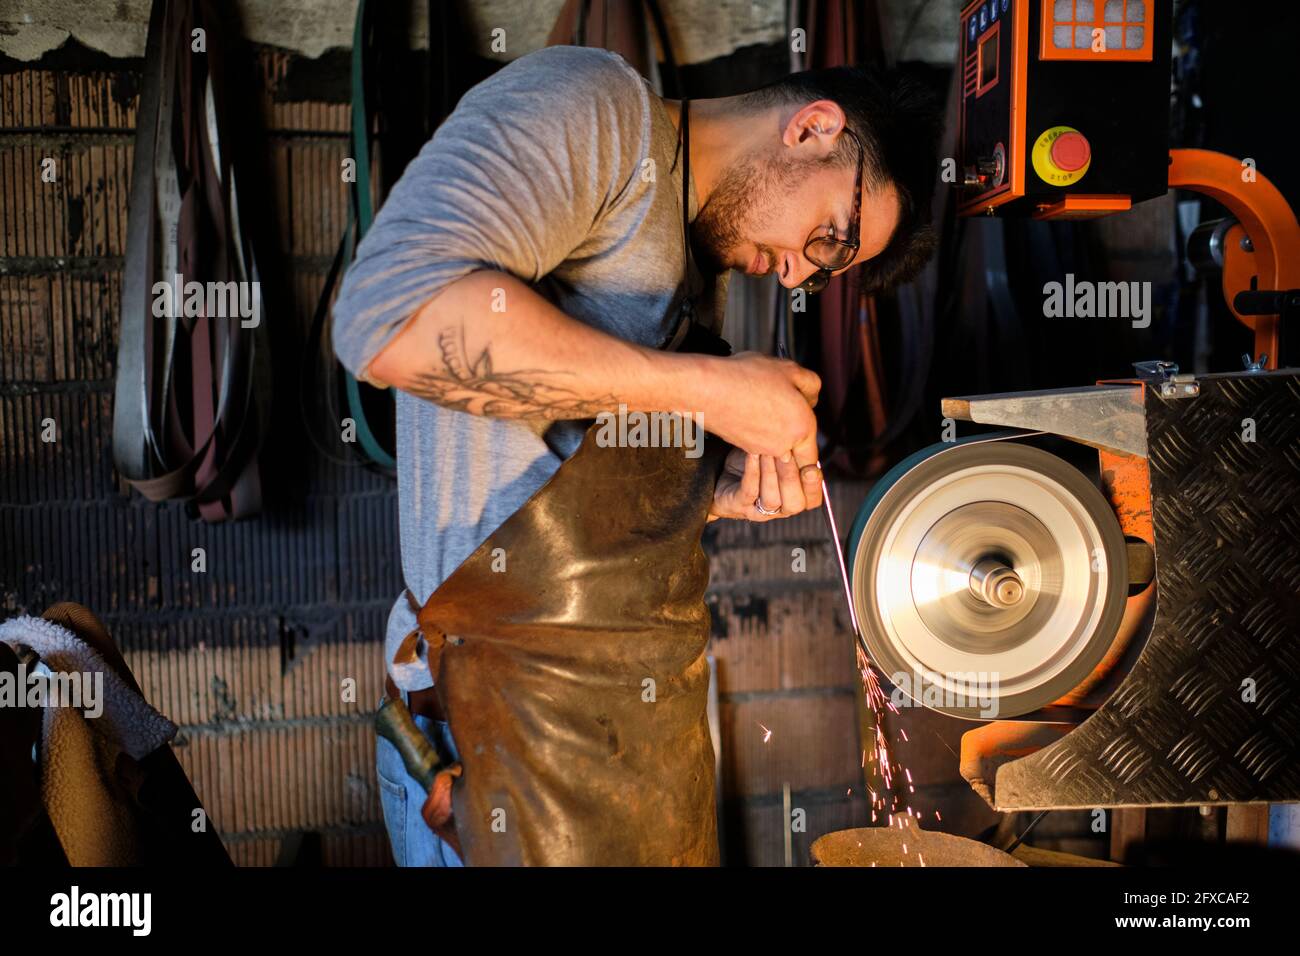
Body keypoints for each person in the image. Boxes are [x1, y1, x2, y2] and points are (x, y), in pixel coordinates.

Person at [332, 44, 939, 866]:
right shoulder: (599, 111)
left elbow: (571, 444)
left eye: (826, 269)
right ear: (813, 129)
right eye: (829, 237)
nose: (798, 271)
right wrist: (711, 393)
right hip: (496, 736)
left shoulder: (701, 260)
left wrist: (708, 489)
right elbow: (388, 323)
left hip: (631, 737)